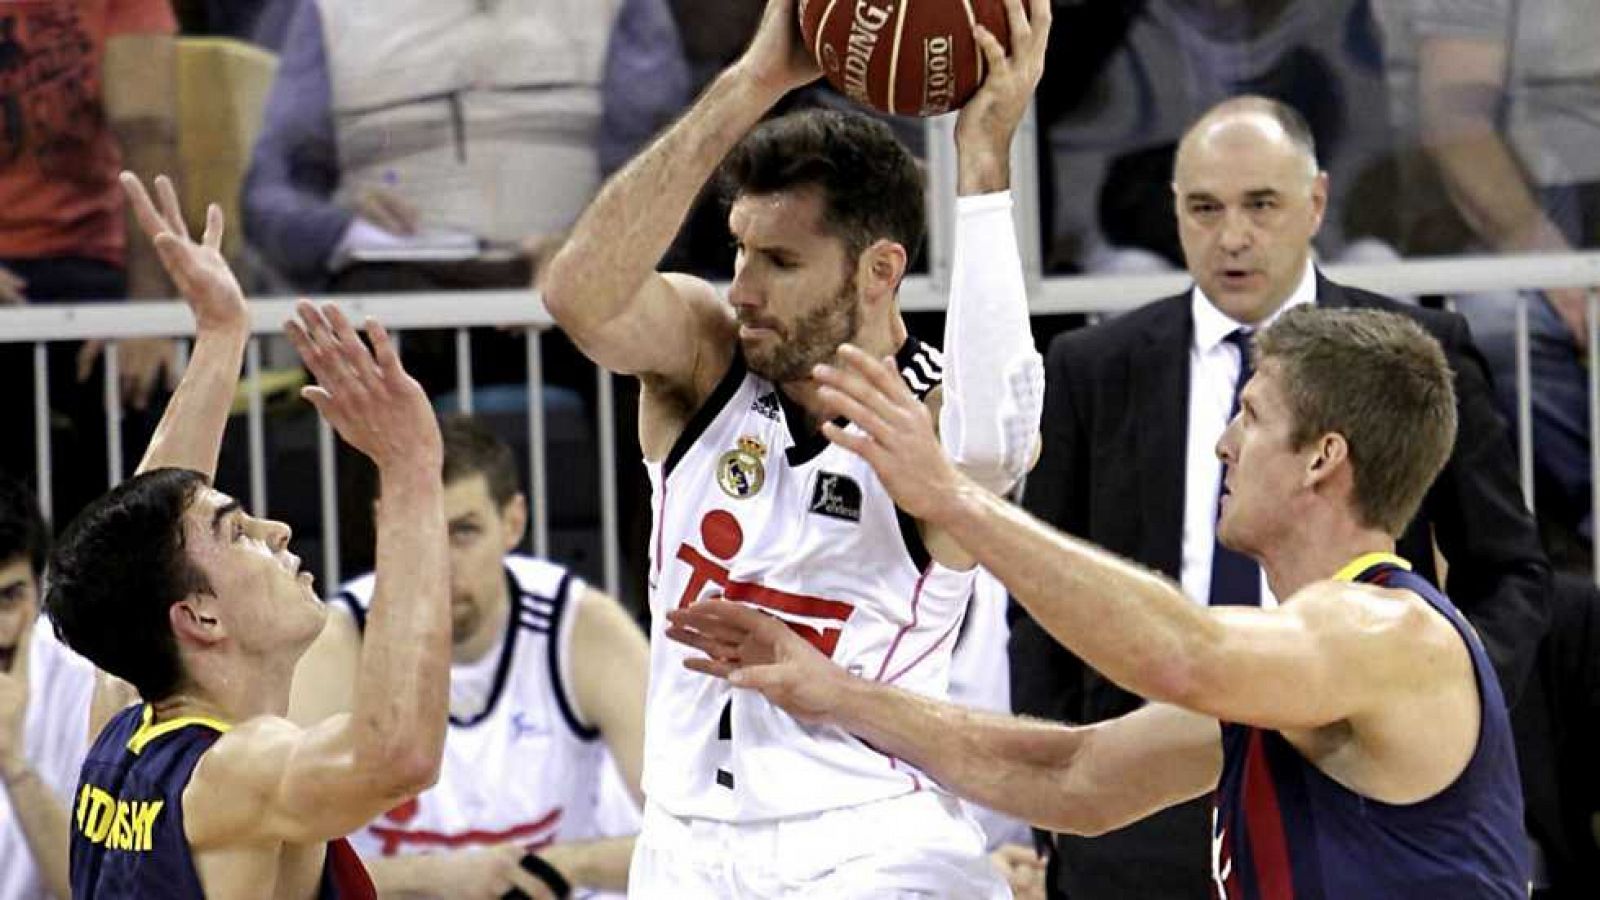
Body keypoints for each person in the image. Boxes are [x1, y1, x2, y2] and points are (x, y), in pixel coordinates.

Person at [669, 306, 1532, 898]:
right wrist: (834, 692)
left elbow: (1183, 654)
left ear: (1322, 458)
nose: (1226, 442)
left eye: (1253, 416)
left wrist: (956, 499)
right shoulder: (1294, 682)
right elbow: (1070, 777)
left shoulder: (1387, 632)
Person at [538, 0, 1050, 892]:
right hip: (684, 845)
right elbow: (579, 296)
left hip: (873, 841)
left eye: (778, 262)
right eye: (738, 250)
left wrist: (982, 159)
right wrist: (750, 84)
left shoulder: (931, 417)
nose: (741, 288)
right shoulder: (704, 359)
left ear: (879, 270)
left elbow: (1000, 444)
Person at [1009, 95, 1550, 898]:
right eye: (1205, 208)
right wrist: (1059, 798)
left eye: (1261, 204)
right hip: (1142, 781)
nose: (1233, 236)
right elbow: (1040, 604)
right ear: (1174, 212)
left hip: (1351, 772)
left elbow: (1508, 572)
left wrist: (1433, 718)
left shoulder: (1414, 354)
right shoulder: (1094, 363)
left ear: (1316, 202)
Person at [44, 172, 451, 898]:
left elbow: (149, 535)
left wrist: (221, 334)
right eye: (239, 534)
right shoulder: (237, 767)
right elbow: (398, 755)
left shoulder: (123, 732)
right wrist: (411, 472)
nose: (278, 528)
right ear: (198, 616)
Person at [290, 414, 648, 899]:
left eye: (463, 532)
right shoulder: (341, 640)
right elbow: (280, 869)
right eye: (419, 531)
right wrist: (437, 880)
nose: (440, 560)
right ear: (383, 527)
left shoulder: (580, 627)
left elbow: (694, 830)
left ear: (513, 522)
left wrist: (565, 864)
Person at [0, 0, 183, 525]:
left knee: (143, 386)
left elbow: (149, 133)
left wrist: (148, 317)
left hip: (90, 269)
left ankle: (134, 593)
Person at [0, 474, 132, 900]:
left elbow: (91, 886)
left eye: (8, 597)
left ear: (39, 588)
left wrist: (12, 761)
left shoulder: (86, 683)